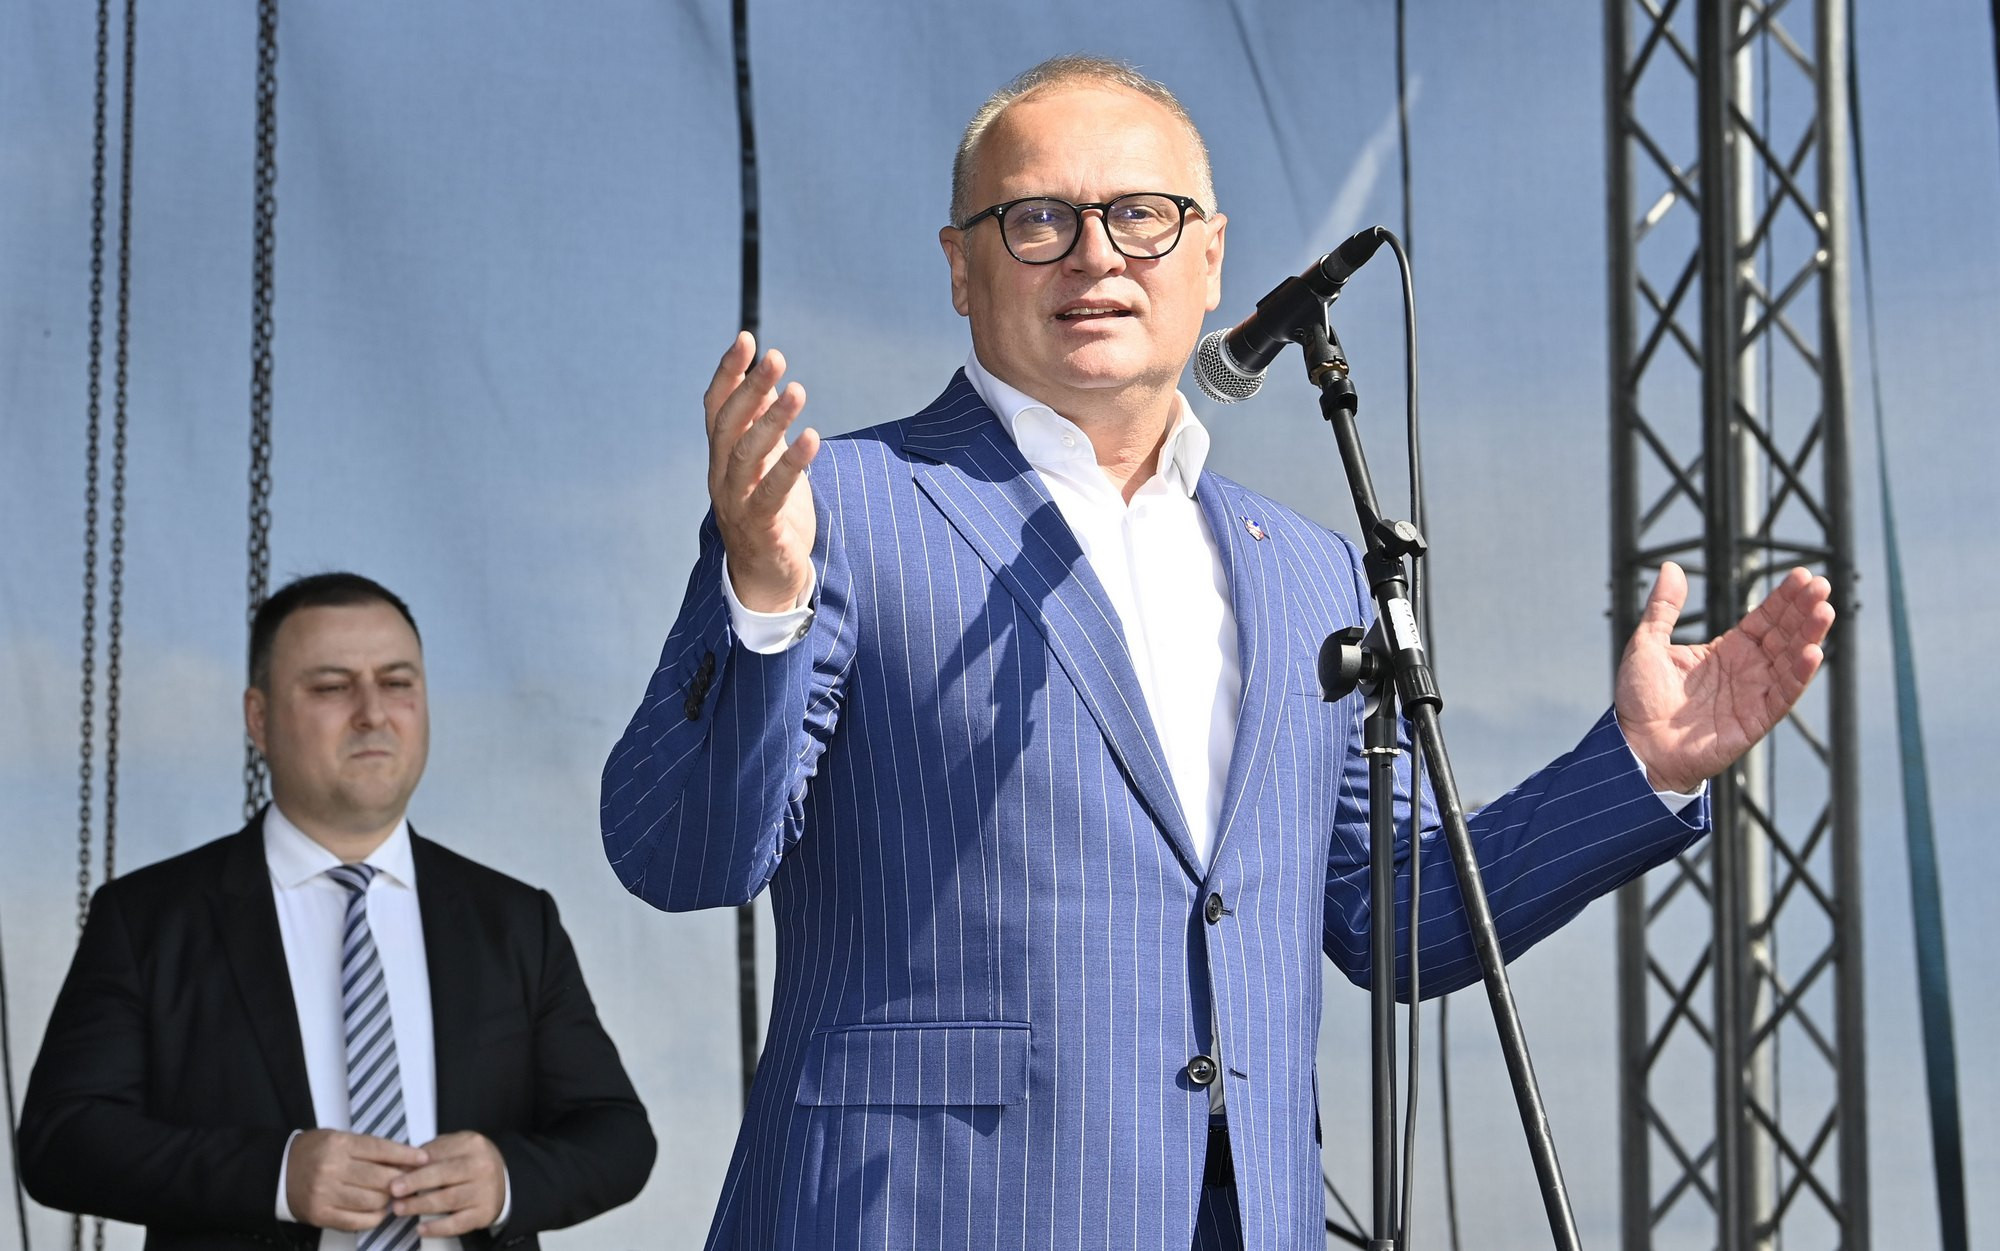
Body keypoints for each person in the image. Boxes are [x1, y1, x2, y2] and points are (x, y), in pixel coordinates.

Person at [599, 55, 1833, 1251]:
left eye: (1140, 214)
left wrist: (1638, 765)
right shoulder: (839, 507)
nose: (1094, 254)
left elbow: (1396, 918)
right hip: (922, 1211)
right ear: (961, 268)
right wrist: (765, 599)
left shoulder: (1306, 569)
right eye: (1038, 218)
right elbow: (681, 854)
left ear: (1209, 257)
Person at [23, 572, 656, 1250]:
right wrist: (275, 1175)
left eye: (397, 682)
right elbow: (62, 1140)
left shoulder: (515, 920)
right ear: (259, 719)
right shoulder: (146, 919)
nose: (372, 713)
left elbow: (617, 1134)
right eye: (331, 687)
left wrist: (504, 1179)